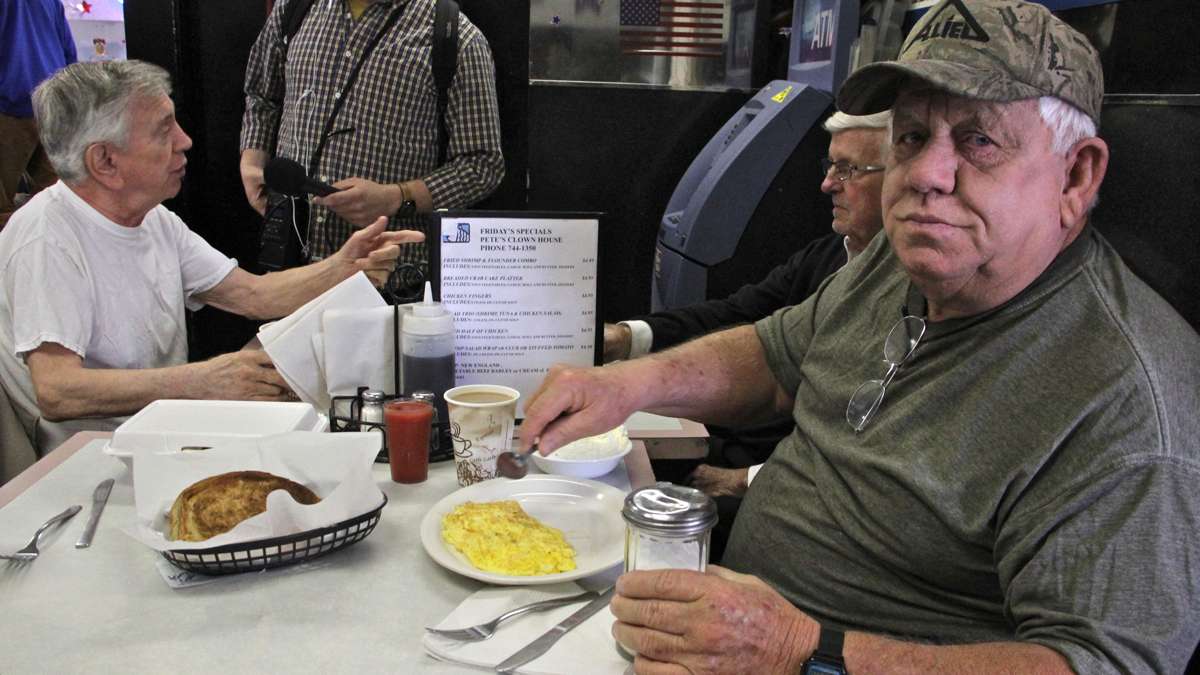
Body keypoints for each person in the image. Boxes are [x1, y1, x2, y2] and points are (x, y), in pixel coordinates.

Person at [519, 1, 1200, 672]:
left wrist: (801, 650)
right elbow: (775, 357)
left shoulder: (1125, 403)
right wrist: (624, 384)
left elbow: (1098, 661)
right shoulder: (903, 258)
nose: (926, 176)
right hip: (728, 626)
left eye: (979, 140)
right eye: (910, 137)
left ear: (1077, 175)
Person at [0, 60, 423, 455]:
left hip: (163, 434)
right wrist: (202, 381)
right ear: (106, 161)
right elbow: (56, 390)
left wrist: (344, 266)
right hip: (92, 458)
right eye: (164, 130)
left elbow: (254, 296)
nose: (185, 141)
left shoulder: (155, 220)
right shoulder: (47, 235)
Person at [604, 111, 890, 502]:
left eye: (848, 170)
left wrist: (747, 478)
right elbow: (734, 314)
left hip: (789, 482)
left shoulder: (908, 296)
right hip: (741, 448)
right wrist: (626, 338)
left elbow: (862, 445)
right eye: (830, 166)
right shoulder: (823, 255)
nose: (827, 185)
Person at [239, 0, 504, 268]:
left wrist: (396, 197)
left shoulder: (456, 38)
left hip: (381, 279)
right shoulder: (294, 9)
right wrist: (252, 161)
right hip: (288, 268)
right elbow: (262, 94)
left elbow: (482, 165)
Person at [0, 0, 77, 229]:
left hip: (8, 107)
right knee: (54, 204)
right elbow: (69, 52)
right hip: (52, 108)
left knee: (2, 213)